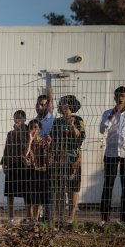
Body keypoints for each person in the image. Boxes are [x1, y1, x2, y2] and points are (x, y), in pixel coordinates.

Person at [99, 86, 125, 225]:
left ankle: (124, 217)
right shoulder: (107, 113)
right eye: (117, 96)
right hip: (111, 153)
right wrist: (112, 115)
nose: (120, 98)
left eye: (122, 96)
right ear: (114, 98)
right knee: (108, 185)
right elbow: (102, 130)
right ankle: (104, 218)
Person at [50, 94, 85, 224]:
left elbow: (81, 136)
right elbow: (52, 139)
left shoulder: (78, 120)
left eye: (61, 103)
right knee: (59, 190)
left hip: (73, 160)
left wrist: (72, 126)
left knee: (73, 189)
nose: (59, 106)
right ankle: (59, 217)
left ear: (68, 106)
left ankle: (70, 218)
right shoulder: (57, 122)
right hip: (59, 160)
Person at [1, 110, 28, 224]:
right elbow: (6, 149)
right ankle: (10, 217)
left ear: (24, 119)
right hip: (12, 164)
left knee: (26, 192)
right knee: (10, 192)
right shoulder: (10, 134)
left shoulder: (27, 133)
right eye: (16, 118)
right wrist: (4, 163)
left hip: (23, 165)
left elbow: (25, 146)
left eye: (20, 118)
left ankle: (28, 216)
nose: (17, 120)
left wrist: (20, 132)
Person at [23, 119, 52, 223]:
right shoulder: (27, 142)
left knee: (38, 197)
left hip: (41, 171)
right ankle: (29, 218)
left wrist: (49, 144)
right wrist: (30, 141)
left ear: (39, 129)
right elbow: (25, 155)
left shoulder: (44, 141)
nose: (33, 130)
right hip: (30, 171)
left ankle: (36, 219)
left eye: (35, 127)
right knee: (29, 197)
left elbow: (49, 158)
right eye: (31, 127)